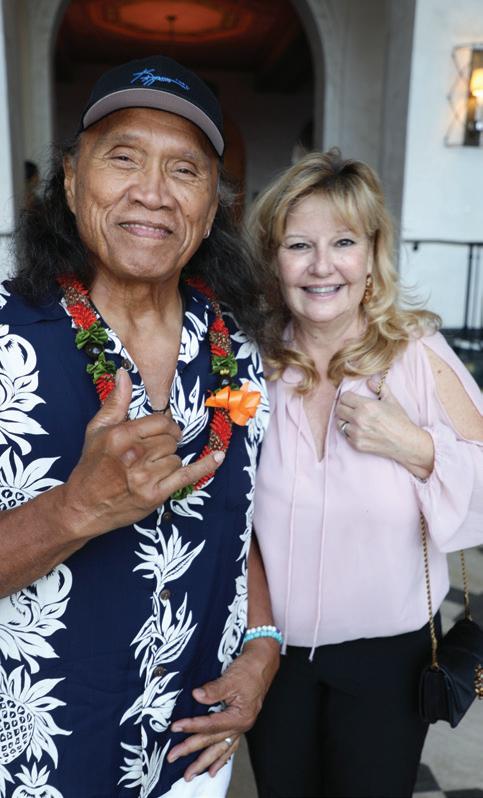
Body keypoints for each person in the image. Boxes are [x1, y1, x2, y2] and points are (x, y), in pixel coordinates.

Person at [0, 55, 281, 798]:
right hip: (35, 763)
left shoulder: (238, 347)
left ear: (212, 206)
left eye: (184, 170)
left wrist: (262, 644)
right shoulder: (5, 340)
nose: (153, 192)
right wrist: (76, 509)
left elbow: (241, 516)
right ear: (70, 179)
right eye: (123, 157)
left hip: (192, 760)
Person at [245, 149, 483, 798]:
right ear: (274, 260)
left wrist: (417, 447)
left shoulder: (417, 354)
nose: (322, 266)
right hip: (271, 655)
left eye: (343, 242)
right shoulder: (250, 363)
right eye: (299, 245)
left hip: (389, 659)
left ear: (372, 254)